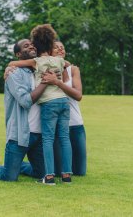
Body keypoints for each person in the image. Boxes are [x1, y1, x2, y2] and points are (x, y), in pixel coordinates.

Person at [0, 39, 56, 181]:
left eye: (32, 44)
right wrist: (45, 82)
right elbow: (25, 101)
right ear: (18, 54)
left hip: (39, 135)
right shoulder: (14, 74)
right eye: (26, 46)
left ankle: (16, 165)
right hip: (20, 134)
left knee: (42, 173)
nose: (31, 46)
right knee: (9, 177)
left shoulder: (40, 71)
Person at [8, 24, 73, 185]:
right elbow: (65, 80)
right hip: (64, 102)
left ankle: (49, 177)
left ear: (36, 44)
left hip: (49, 104)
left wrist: (8, 67)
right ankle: (67, 175)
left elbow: (14, 63)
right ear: (51, 43)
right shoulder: (60, 60)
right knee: (65, 138)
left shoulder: (35, 62)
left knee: (48, 140)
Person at [49, 41, 87, 176]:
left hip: (76, 125)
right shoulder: (46, 70)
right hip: (58, 127)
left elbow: (78, 95)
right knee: (59, 172)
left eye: (62, 47)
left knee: (80, 172)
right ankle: (24, 166)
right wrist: (10, 66)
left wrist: (58, 83)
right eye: (56, 47)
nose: (60, 49)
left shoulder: (73, 70)